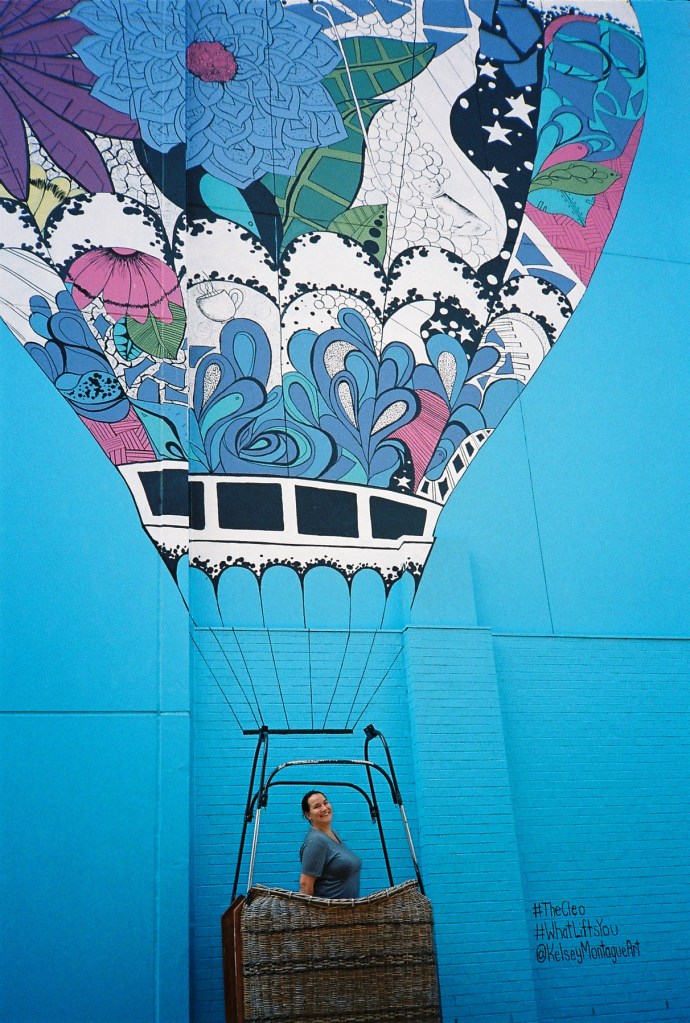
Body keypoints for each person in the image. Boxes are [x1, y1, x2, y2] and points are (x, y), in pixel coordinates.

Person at [299, 790, 362, 899]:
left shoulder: (333, 835)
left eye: (325, 803)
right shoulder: (316, 841)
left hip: (345, 909)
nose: (324, 808)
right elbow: (305, 884)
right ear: (308, 815)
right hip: (329, 909)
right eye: (317, 806)